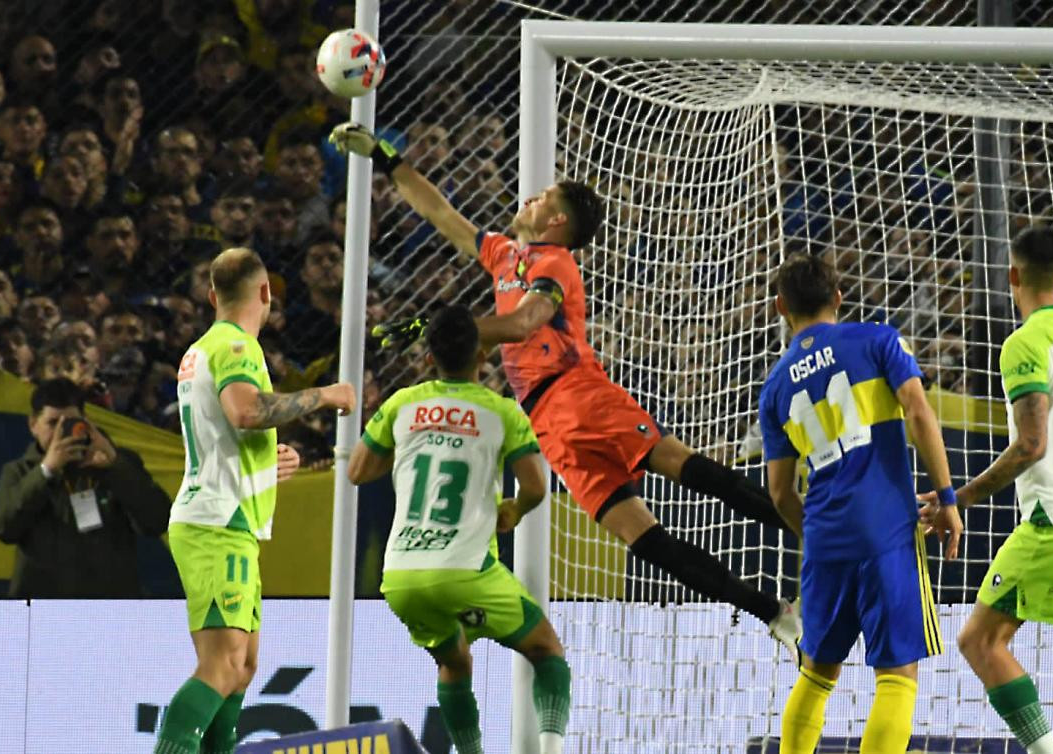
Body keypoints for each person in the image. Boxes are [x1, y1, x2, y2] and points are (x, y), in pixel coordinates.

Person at [330, 123, 801, 647]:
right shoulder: (504, 255)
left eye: (541, 197)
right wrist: (386, 157)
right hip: (547, 422)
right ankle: (772, 612)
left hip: (580, 394)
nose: (527, 199)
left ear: (555, 220)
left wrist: (441, 328)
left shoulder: (554, 263)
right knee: (644, 539)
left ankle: (816, 531)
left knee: (688, 471)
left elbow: (523, 323)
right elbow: (440, 214)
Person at [759, 252, 963, 753]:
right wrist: (949, 498)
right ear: (839, 297)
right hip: (886, 529)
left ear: (781, 306)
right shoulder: (878, 340)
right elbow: (919, 412)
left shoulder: (776, 387)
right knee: (897, 674)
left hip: (825, 541)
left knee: (816, 672)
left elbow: (781, 492)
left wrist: (815, 535)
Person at [154, 247, 355, 754]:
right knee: (222, 666)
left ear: (211, 294)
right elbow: (246, 412)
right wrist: (326, 396)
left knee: (240, 669)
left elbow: (224, 433)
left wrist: (267, 464)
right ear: (265, 293)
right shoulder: (237, 347)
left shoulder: (204, 348)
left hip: (224, 516)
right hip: (218, 522)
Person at [347, 305, 571, 754]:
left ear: (428, 359)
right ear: (481, 356)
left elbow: (357, 471)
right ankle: (550, 748)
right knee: (547, 652)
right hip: (466, 570)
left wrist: (414, 441)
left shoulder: (401, 404)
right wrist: (515, 510)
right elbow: (534, 486)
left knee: (454, 663)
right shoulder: (501, 411)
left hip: (403, 577)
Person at [921, 227, 1053, 754]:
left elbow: (1030, 444)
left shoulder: (1026, 343)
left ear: (1012, 277)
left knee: (980, 640)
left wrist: (959, 497)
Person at [0, 377, 171, 596]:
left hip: (110, 605)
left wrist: (114, 465)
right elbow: (2, 527)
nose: (61, 433)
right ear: (33, 425)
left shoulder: (118, 464)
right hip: (45, 608)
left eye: (71, 423)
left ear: (86, 421)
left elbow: (158, 521)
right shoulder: (20, 472)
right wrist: (46, 471)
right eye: (53, 423)